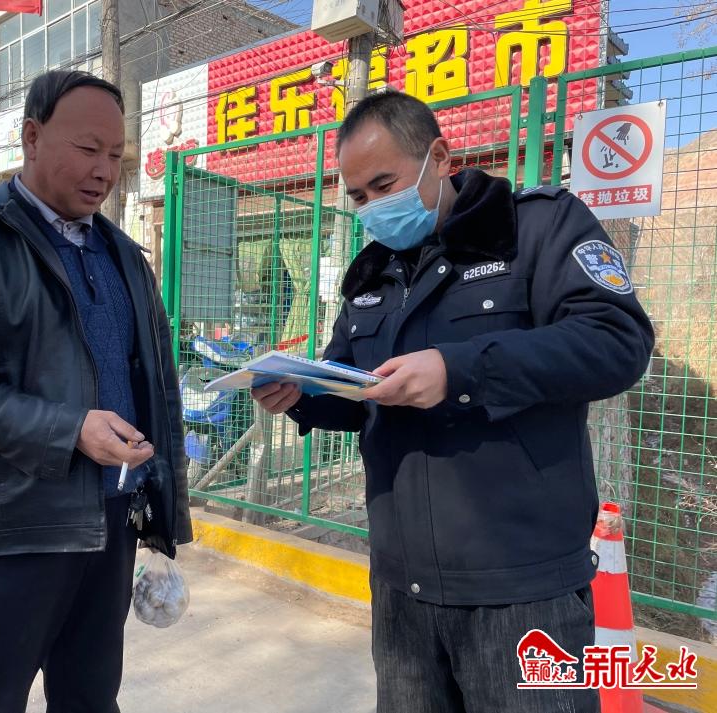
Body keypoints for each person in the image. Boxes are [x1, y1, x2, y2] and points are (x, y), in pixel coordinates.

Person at [253, 91, 654, 713]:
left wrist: (459, 369)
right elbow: (357, 390)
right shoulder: (373, 274)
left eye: (383, 184)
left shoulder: (537, 228)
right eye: (358, 196)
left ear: (439, 157)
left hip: (522, 590)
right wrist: (300, 394)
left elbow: (616, 342)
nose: (373, 207)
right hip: (402, 589)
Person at [0, 70, 192, 713]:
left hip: (111, 521)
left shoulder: (125, 256)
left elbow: (156, 387)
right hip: (10, 528)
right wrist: (68, 429)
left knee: (90, 699)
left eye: (115, 155)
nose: (104, 171)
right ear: (31, 137)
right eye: (87, 149)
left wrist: (162, 505)